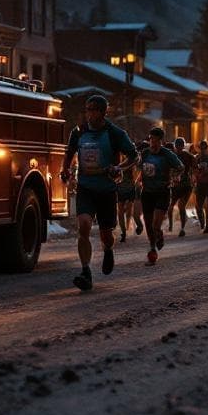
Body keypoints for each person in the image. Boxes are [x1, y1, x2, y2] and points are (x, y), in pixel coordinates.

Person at [60, 95, 138, 292]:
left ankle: (108, 250)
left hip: (106, 189)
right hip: (85, 186)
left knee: (106, 234)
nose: (90, 113)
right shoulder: (78, 132)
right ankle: (86, 271)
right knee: (84, 226)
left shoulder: (115, 133)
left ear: (104, 112)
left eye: (95, 110)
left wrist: (118, 168)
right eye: (88, 109)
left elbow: (133, 156)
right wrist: (66, 169)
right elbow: (69, 152)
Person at [137, 128, 181, 266]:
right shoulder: (144, 153)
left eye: (156, 140)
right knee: (149, 225)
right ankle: (152, 249)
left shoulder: (167, 154)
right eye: (151, 140)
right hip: (147, 192)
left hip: (162, 192)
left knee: (156, 224)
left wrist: (174, 177)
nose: (153, 143)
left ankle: (159, 234)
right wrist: (137, 180)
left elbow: (180, 167)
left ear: (162, 141)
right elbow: (138, 167)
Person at [171, 138, 196, 237]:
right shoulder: (172, 156)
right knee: (170, 206)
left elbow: (194, 168)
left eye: (180, 146)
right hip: (174, 184)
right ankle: (170, 225)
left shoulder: (188, 156)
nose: (179, 148)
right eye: (177, 146)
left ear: (183, 146)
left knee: (181, 206)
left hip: (185, 184)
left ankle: (182, 228)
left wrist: (193, 178)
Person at [193, 140, 208, 233]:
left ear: (207, 148)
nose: (203, 150)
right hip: (200, 185)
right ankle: (202, 223)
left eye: (204, 148)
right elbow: (194, 170)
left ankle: (207, 225)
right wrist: (196, 175)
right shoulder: (197, 158)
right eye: (201, 148)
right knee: (198, 206)